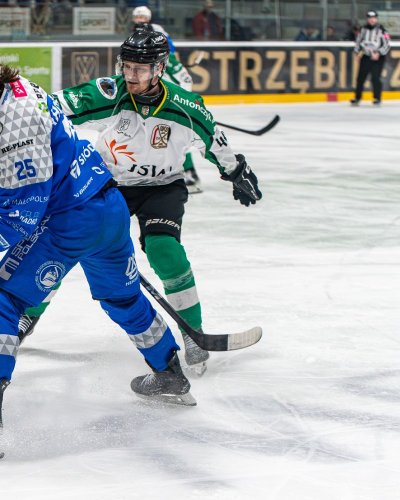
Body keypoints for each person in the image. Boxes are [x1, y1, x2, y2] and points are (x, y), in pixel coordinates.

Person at [0, 38, 196, 457]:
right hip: (108, 208)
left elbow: (20, 217)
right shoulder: (17, 88)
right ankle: (169, 373)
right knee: (121, 298)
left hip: (69, 222)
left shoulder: (12, 127)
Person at [17, 27, 263, 378]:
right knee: (66, 244)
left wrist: (236, 171)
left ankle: (192, 334)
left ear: (160, 69)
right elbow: (53, 108)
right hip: (106, 182)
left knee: (166, 253)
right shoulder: (110, 93)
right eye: (126, 67)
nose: (130, 76)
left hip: (161, 187)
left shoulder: (186, 107)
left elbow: (214, 140)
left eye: (140, 69)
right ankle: (30, 312)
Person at [131, 6, 201, 194]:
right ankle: (158, 176)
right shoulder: (140, 60)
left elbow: (186, 80)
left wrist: (179, 101)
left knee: (175, 140)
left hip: (170, 105)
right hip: (153, 106)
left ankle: (190, 176)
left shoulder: (166, 59)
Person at [351, 10, 391, 106]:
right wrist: (356, 53)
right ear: (367, 19)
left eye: (374, 18)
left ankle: (377, 98)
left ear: (376, 19)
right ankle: (357, 98)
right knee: (360, 78)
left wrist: (378, 53)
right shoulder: (363, 30)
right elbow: (358, 42)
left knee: (375, 78)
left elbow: (387, 44)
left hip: (378, 58)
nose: (372, 20)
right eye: (370, 18)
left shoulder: (382, 30)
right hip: (366, 56)